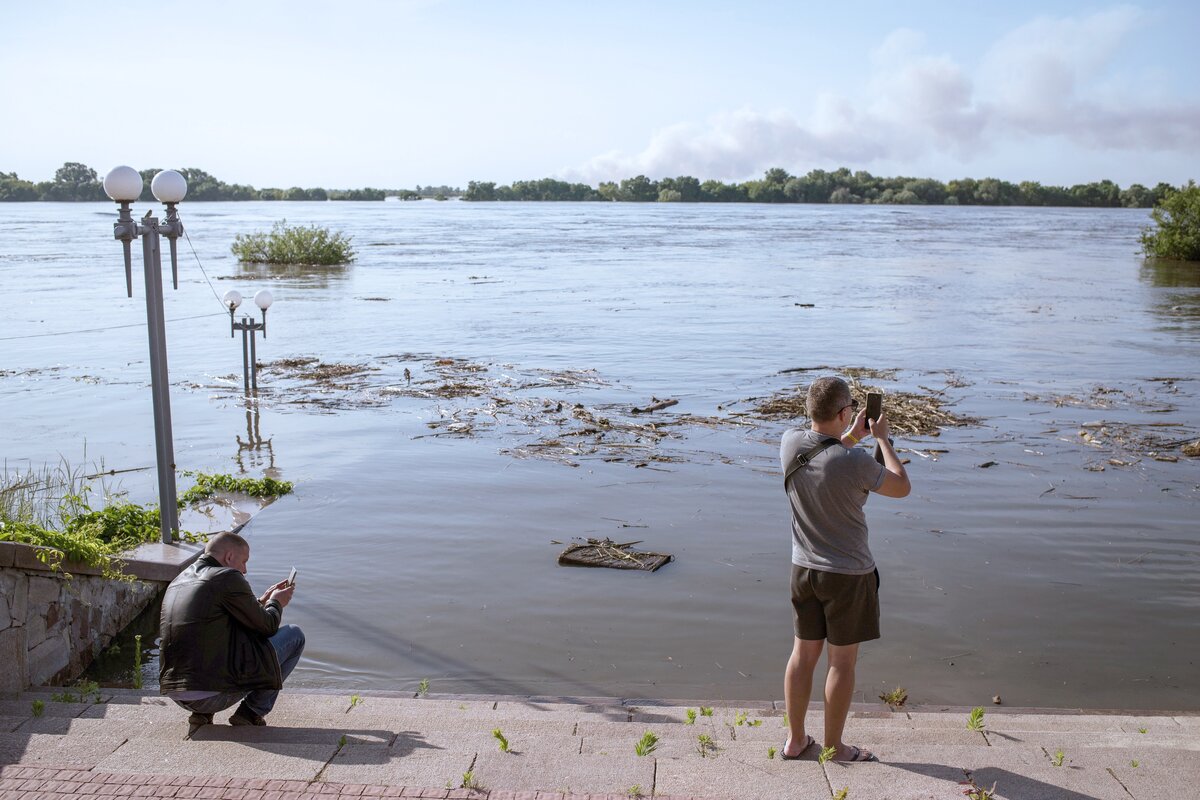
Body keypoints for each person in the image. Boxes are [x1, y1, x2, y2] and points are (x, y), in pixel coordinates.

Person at [779, 376, 910, 762]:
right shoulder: (853, 463)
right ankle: (835, 748)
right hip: (848, 578)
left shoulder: (790, 443)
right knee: (842, 663)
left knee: (802, 655)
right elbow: (901, 486)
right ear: (843, 412)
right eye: (850, 407)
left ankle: (795, 740)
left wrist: (850, 435)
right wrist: (882, 439)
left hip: (803, 570)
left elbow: (824, 459)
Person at [159, 532, 304, 728]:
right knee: (294, 635)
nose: (244, 570)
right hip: (212, 695)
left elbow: (217, 621)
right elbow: (268, 626)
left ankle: (201, 714)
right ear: (229, 557)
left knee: (212, 638)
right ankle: (251, 712)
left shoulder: (179, 581)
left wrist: (261, 601)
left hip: (176, 693)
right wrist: (276, 603)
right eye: (244, 561)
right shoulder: (228, 576)